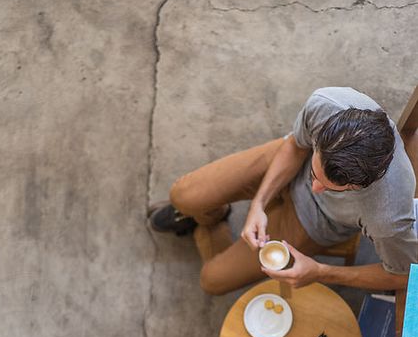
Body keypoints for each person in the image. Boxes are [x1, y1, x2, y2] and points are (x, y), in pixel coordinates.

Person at [149, 87, 417, 295]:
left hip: (314, 223)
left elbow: (403, 276)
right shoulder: (328, 104)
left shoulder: (389, 218)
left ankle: (207, 222)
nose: (315, 188)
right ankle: (210, 215)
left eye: (332, 188)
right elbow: (294, 147)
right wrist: (258, 204)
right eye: (316, 174)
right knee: (183, 195)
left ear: (360, 186)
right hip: (290, 166)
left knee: (211, 280)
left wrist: (320, 272)